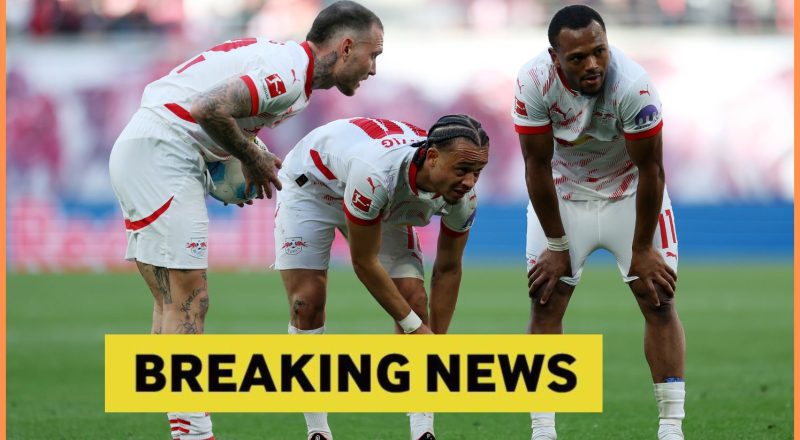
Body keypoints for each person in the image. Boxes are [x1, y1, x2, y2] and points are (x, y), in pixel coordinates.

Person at [107, 2, 383, 439]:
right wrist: (251, 156)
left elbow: (209, 109)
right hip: (162, 152)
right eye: (373, 55)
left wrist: (235, 159)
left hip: (150, 148)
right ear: (347, 47)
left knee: (171, 300)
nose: (373, 68)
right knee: (190, 297)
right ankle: (194, 432)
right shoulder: (289, 75)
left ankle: (184, 428)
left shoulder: (290, 69)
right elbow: (207, 107)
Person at [512, 5, 685, 440]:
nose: (592, 64)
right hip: (564, 194)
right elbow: (535, 165)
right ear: (554, 58)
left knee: (658, 300)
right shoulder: (533, 82)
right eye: (578, 58)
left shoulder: (634, 87)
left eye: (599, 51)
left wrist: (643, 248)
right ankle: (543, 429)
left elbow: (652, 170)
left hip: (631, 194)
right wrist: (556, 246)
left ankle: (671, 427)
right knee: (545, 302)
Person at [274, 115, 489, 440]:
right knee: (306, 302)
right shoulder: (376, 174)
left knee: (413, 298)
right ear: (432, 157)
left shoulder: (465, 198)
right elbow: (363, 261)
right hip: (314, 187)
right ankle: (317, 431)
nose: (470, 181)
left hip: (379, 196)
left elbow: (448, 269)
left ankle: (423, 429)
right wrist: (416, 329)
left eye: (478, 172)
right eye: (462, 170)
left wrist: (434, 342)